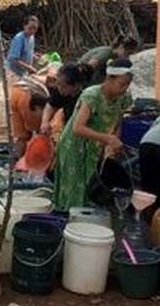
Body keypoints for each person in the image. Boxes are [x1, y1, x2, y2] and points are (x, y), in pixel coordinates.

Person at [52, 58, 134, 211]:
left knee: (90, 186)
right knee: (74, 191)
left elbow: (118, 121)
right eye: (122, 84)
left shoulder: (123, 98)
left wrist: (113, 143)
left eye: (127, 85)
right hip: (74, 147)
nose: (124, 88)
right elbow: (78, 128)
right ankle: (70, 224)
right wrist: (108, 139)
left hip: (94, 147)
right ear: (109, 79)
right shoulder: (92, 95)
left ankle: (85, 223)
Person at [41, 63, 90, 140]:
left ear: (76, 86)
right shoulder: (62, 91)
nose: (60, 89)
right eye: (58, 85)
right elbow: (51, 104)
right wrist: (45, 121)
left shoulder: (86, 97)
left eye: (63, 87)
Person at [9, 75, 50, 160]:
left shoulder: (42, 77)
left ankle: (14, 162)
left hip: (16, 92)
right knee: (42, 132)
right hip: (28, 97)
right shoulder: (55, 82)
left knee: (22, 136)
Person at [5, 15, 39, 79]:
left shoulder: (32, 37)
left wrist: (34, 56)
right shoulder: (19, 39)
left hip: (23, 73)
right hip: (13, 73)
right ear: (24, 26)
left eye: (35, 28)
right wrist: (28, 67)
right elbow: (13, 59)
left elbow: (26, 52)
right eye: (30, 28)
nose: (32, 31)